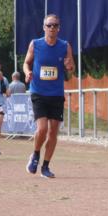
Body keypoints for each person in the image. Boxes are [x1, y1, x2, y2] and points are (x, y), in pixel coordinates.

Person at [23, 13, 75, 179]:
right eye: (49, 25)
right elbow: (26, 63)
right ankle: (35, 154)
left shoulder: (65, 46)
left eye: (55, 25)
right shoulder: (35, 44)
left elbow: (71, 69)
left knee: (53, 133)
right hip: (38, 92)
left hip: (56, 94)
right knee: (42, 128)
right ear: (44, 27)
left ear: (59, 28)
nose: (52, 28)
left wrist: (69, 66)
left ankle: (45, 166)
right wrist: (27, 72)